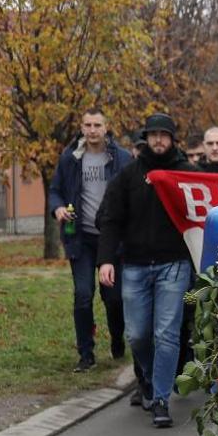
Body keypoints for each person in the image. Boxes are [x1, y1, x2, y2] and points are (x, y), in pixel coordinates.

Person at [95, 113, 197, 428]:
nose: (158, 140)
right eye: (153, 134)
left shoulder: (188, 175)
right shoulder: (127, 177)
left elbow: (205, 214)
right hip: (135, 266)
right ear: (146, 138)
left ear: (173, 138)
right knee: (138, 334)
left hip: (174, 264)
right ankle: (151, 379)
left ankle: (161, 398)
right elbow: (110, 219)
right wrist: (106, 259)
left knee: (166, 333)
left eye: (164, 135)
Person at [48, 111, 134, 372]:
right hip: (80, 238)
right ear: (82, 127)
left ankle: (117, 338)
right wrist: (59, 208)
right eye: (88, 125)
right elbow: (55, 190)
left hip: (112, 240)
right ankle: (86, 354)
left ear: (106, 127)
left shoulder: (121, 158)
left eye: (98, 125)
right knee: (83, 295)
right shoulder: (70, 157)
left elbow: (132, 195)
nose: (93, 130)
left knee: (114, 299)